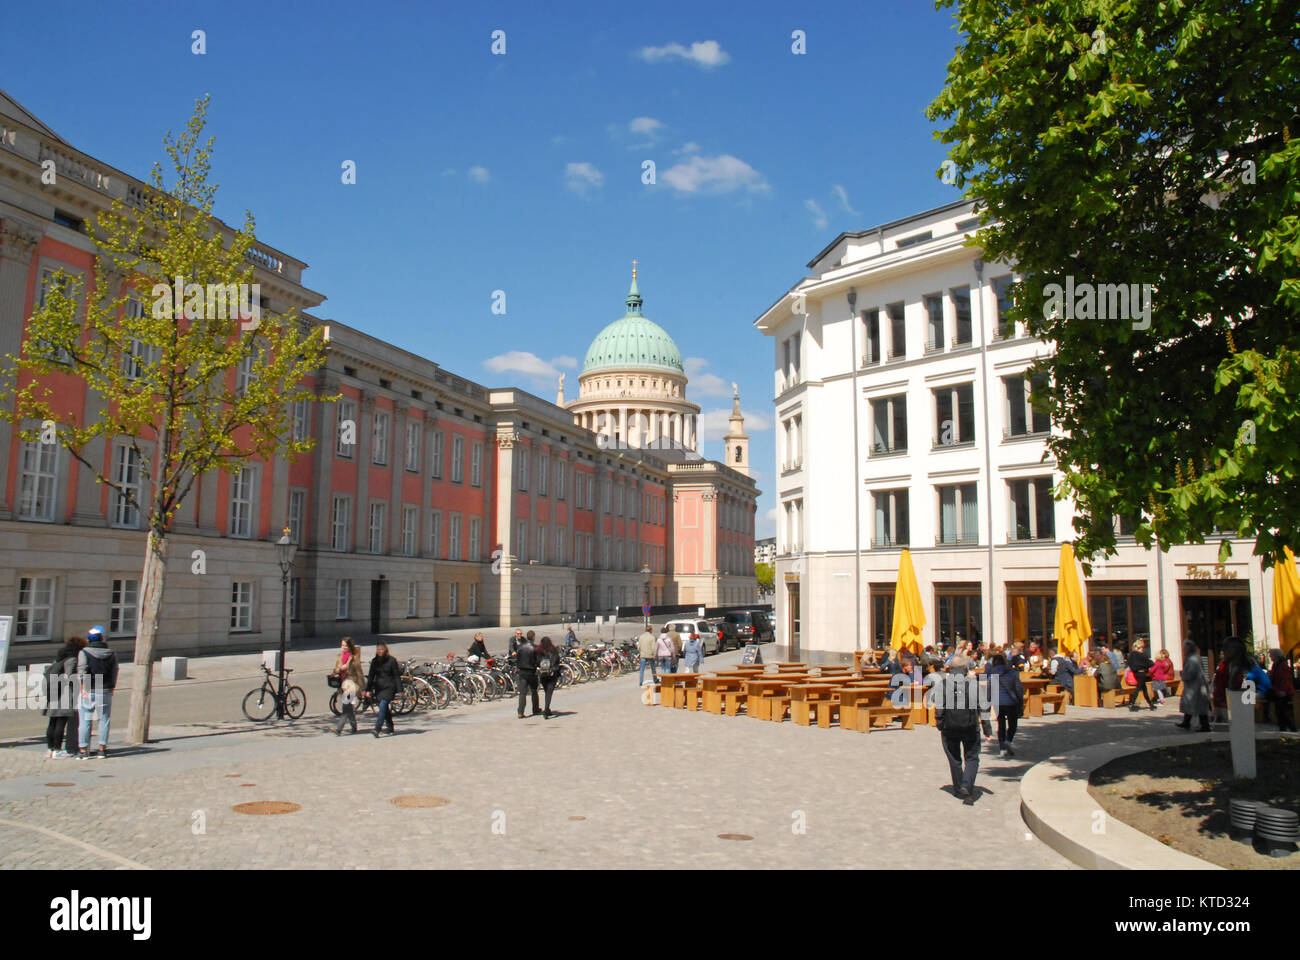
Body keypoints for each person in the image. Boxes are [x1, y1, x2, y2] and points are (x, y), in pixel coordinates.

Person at [926, 657, 994, 802]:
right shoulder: (973, 684)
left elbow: (939, 707)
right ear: (965, 669)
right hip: (970, 726)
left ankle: (958, 788)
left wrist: (939, 724)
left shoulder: (943, 684)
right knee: (972, 756)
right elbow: (983, 706)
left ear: (949, 669)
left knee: (954, 758)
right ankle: (967, 785)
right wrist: (987, 729)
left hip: (949, 727)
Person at [77, 626, 118, 759]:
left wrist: (82, 688)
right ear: (102, 638)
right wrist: (112, 686)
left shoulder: (84, 652)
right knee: (104, 719)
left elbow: (81, 671)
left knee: (85, 720)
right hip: (105, 688)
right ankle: (102, 749)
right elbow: (114, 671)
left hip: (89, 689)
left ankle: (83, 751)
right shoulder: (111, 653)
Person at [43, 636, 85, 758]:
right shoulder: (71, 659)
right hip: (64, 695)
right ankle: (57, 750)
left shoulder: (59, 659)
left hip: (54, 693)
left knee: (52, 722)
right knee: (61, 723)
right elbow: (70, 676)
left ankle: (50, 749)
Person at [985, 652, 1023, 758]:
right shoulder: (1012, 673)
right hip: (1011, 701)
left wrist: (988, 701)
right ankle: (1008, 740)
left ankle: (1002, 748)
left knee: (1001, 725)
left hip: (997, 702)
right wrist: (1020, 700)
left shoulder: (992, 675)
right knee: (1013, 725)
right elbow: (1018, 688)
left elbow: (989, 688)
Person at [1175, 640, 1211, 731]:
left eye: (1184, 648)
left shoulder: (1192, 659)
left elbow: (1191, 673)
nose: (1183, 650)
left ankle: (1205, 726)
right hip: (1196, 685)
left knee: (1197, 706)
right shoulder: (1195, 657)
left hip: (1195, 686)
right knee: (1193, 705)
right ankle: (1186, 722)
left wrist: (1183, 675)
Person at [367, 642, 401, 737]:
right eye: (378, 650)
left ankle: (377, 729)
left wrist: (400, 690)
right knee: (384, 708)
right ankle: (390, 726)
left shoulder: (391, 660)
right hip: (379, 687)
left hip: (389, 687)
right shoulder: (374, 661)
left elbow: (396, 675)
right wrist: (368, 689)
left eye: (381, 649)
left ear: (385, 650)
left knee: (382, 706)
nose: (380, 651)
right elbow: (371, 676)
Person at [333, 641, 365, 735]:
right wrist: (339, 669)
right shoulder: (340, 656)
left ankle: (339, 729)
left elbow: (359, 672)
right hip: (342, 684)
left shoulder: (354, 657)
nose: (344, 647)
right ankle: (354, 726)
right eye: (342, 645)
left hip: (351, 684)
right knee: (349, 708)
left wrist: (363, 687)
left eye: (346, 645)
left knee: (345, 706)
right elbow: (335, 669)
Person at [1266, 650, 1296, 732]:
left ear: (1276, 656)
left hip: (1283, 692)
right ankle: (1283, 729)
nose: (1270, 657)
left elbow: (1285, 679)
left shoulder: (1282, 665)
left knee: (1284, 712)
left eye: (1271, 655)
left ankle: (1292, 729)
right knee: (1280, 712)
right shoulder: (1276, 664)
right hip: (1277, 690)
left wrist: (1283, 690)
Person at [1126, 639, 1157, 711]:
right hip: (1142, 673)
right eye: (1141, 648)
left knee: (1144, 688)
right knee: (1138, 688)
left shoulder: (1131, 655)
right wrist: (1145, 667)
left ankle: (1150, 704)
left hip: (1136, 673)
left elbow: (1130, 664)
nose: (1142, 649)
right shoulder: (1141, 655)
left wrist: (1134, 669)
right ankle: (1132, 703)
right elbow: (1151, 664)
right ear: (1138, 647)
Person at [516, 633, 541, 718]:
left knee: (522, 693)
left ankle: (520, 712)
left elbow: (517, 658)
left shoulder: (520, 647)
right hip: (531, 672)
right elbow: (538, 661)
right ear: (533, 637)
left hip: (522, 671)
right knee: (534, 691)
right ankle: (535, 709)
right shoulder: (535, 647)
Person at [536, 636, 561, 719]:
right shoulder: (553, 650)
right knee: (549, 693)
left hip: (543, 674)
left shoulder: (539, 651)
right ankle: (546, 711)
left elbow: (537, 662)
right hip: (552, 674)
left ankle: (547, 709)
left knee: (547, 692)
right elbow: (557, 661)